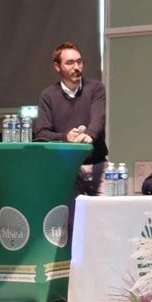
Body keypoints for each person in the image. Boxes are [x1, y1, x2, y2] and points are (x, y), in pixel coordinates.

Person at [34, 42, 108, 196]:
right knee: (71, 217)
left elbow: (98, 117)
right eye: (70, 62)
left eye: (79, 62)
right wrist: (65, 137)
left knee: (107, 215)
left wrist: (90, 134)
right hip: (65, 168)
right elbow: (41, 132)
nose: (76, 67)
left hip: (97, 164)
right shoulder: (48, 95)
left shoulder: (95, 88)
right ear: (57, 66)